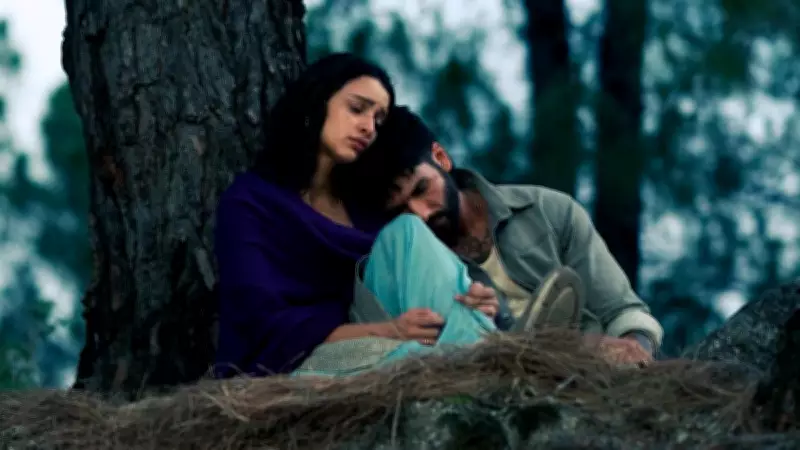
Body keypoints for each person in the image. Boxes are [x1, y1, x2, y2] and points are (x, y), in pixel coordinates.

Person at [213, 53, 571, 379]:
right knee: (417, 358)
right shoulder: (252, 202)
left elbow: (411, 286)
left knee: (410, 235)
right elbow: (260, 324)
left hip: (387, 341)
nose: (369, 127)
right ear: (316, 102)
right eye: (357, 109)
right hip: (301, 361)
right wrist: (388, 331)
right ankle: (509, 358)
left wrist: (477, 301)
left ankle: (491, 343)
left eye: (378, 119)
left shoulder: (366, 209)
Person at [338, 105, 664, 364]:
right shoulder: (410, 262)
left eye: (422, 189)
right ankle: (524, 347)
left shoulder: (548, 210)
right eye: (401, 211)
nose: (422, 214)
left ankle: (540, 348)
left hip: (584, 369)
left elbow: (622, 310)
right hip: (480, 373)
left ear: (441, 158)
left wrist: (635, 349)